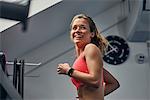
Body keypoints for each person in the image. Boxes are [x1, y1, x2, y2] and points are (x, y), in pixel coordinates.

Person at [57, 14, 120, 100]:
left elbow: (95, 81)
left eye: (82, 27)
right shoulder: (83, 59)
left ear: (92, 33)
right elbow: (113, 83)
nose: (77, 31)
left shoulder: (90, 48)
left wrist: (69, 70)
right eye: (74, 28)